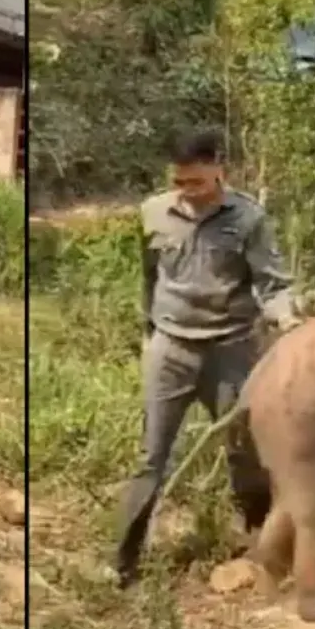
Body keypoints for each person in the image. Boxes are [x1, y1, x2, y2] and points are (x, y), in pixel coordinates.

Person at [116, 128, 301, 587]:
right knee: (151, 455)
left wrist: (287, 320)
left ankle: (261, 547)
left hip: (230, 350)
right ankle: (121, 560)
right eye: (180, 182)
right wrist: (149, 331)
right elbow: (148, 277)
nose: (188, 192)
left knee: (245, 452)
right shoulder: (152, 213)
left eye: (196, 182)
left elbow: (273, 284)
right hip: (170, 349)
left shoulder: (249, 219)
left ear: (219, 169)